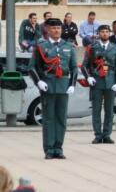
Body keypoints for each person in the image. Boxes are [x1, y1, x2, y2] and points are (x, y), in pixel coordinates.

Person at [28, 18, 78, 159]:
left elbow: (74, 67)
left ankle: (58, 147)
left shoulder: (68, 46)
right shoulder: (41, 46)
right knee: (49, 119)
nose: (57, 30)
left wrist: (72, 84)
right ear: (48, 30)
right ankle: (49, 149)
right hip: (48, 85)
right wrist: (39, 82)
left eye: (59, 28)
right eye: (54, 28)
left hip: (63, 86)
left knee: (61, 119)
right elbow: (32, 67)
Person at [82, 25, 116, 144]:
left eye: (106, 32)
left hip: (110, 81)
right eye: (102, 32)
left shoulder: (115, 48)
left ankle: (107, 134)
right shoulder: (92, 47)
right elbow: (85, 65)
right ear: (98, 33)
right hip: (97, 80)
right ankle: (97, 134)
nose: (105, 34)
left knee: (109, 109)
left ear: (109, 33)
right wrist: (88, 77)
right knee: (96, 109)